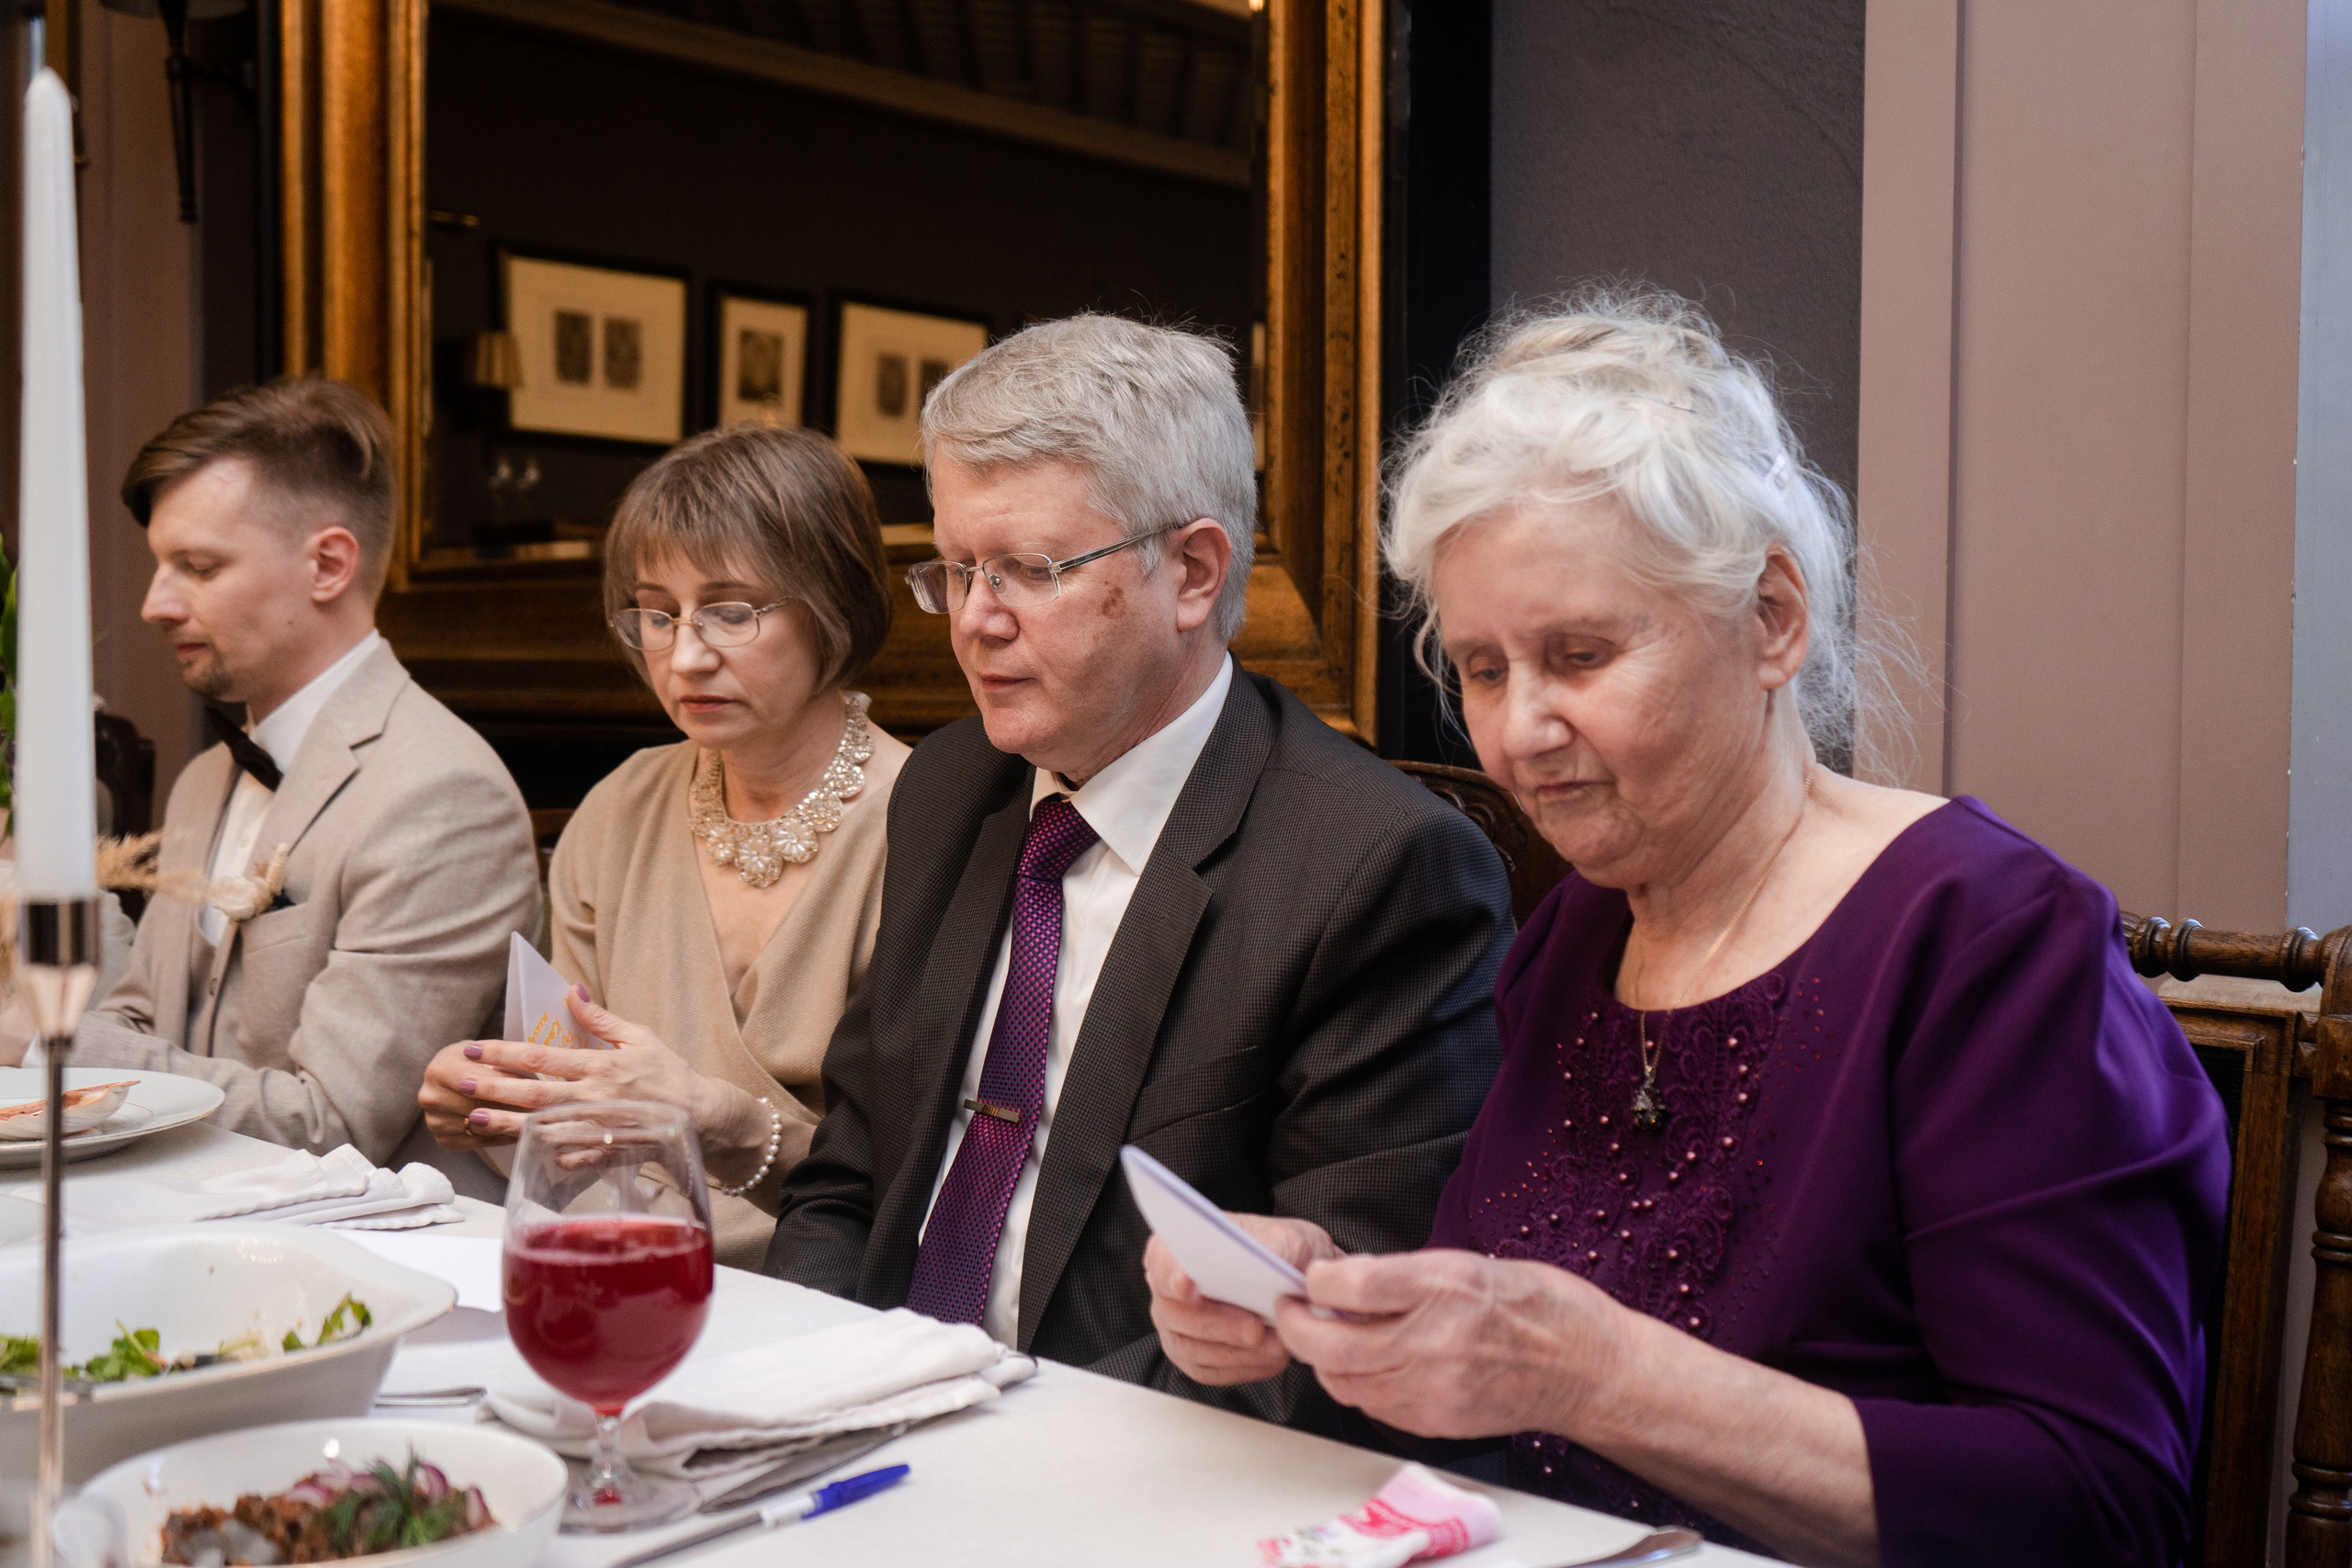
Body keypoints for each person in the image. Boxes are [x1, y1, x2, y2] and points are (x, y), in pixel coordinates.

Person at [1142, 293, 2230, 1566]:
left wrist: (1597, 1372)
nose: (1519, 730)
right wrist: (1325, 1298)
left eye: (1583, 653)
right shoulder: (1571, 945)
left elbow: (2097, 1505)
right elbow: (1501, 1344)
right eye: (1485, 669)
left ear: (1771, 618)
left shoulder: (1982, 941)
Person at [764, 314, 1513, 1432]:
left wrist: (987, 1447)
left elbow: (1345, 1320)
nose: (975, 622)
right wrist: (786, 1389)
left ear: (1194, 574)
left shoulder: (1377, 869)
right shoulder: (950, 785)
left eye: (1027, 569)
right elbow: (853, 1170)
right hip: (864, 1430)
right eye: (957, 568)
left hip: (1125, 1464)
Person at [11, 378, 539, 1196]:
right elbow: (138, 1018)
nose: (154, 603)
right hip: (175, 1209)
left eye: (198, 566)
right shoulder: (203, 780)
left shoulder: (442, 797)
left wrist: (43, 1044)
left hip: (373, 1261)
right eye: (160, 564)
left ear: (328, 563)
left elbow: (332, 1126)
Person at [418, 425, 910, 1268]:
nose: (684, 655)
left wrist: (721, 1117)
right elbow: (566, 1118)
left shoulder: (929, 824)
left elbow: (928, 1184)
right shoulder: (619, 810)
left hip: (835, 1293)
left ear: (837, 601)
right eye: (658, 612)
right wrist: (494, 1101)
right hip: (615, 1259)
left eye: (731, 610)